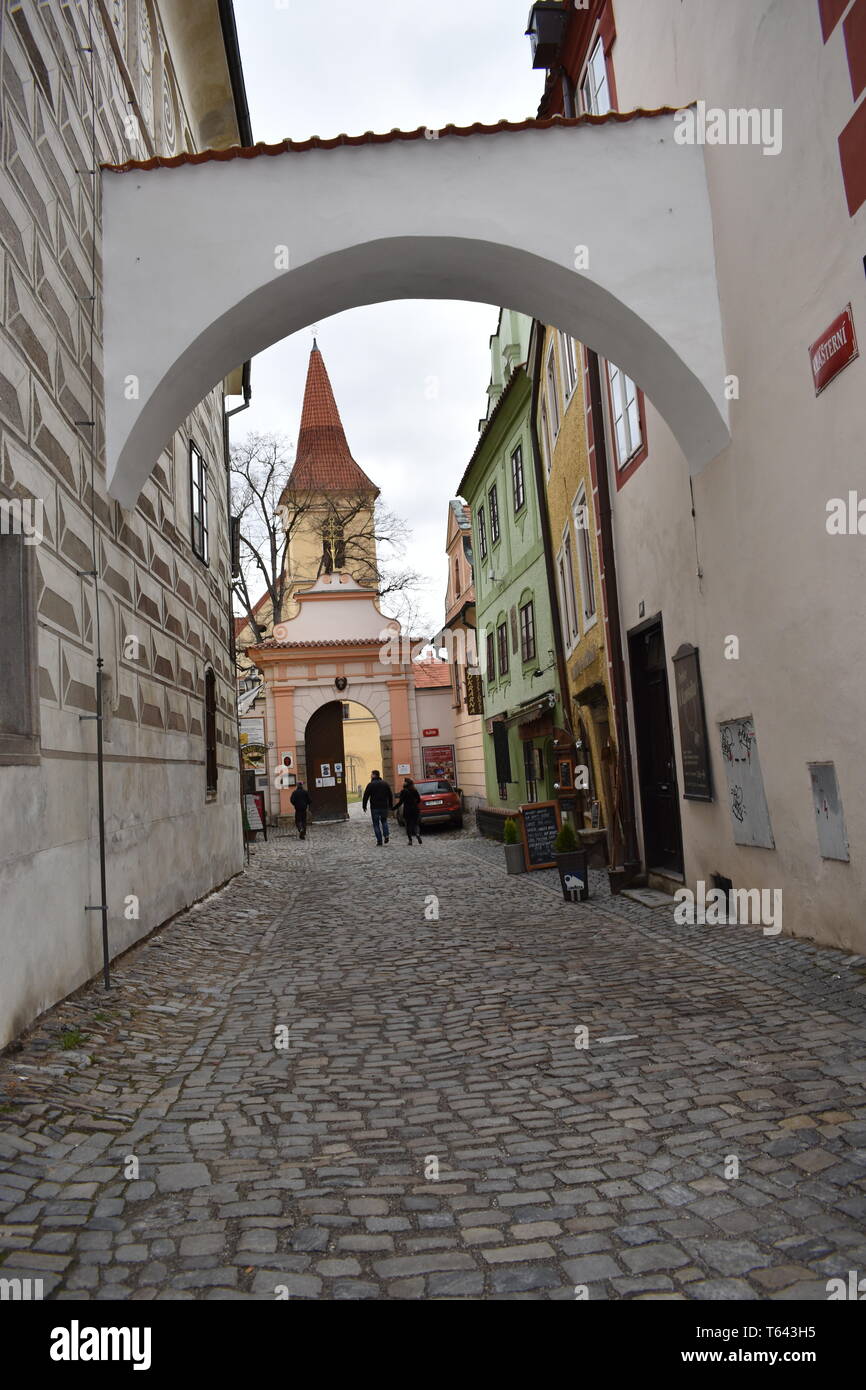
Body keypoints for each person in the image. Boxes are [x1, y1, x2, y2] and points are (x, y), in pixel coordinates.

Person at [361, 770, 394, 846]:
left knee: (376, 824)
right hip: (384, 806)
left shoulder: (370, 784)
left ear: (374, 775)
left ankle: (379, 841)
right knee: (384, 821)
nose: (370, 775)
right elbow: (390, 794)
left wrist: (364, 806)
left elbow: (366, 796)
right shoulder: (385, 784)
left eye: (371, 774)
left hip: (374, 807)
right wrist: (390, 805)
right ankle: (386, 835)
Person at [396, 777, 422, 845]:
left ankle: (410, 840)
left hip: (407, 810)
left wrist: (393, 808)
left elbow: (400, 802)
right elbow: (419, 799)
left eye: (404, 781)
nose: (403, 782)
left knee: (408, 825)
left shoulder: (403, 791)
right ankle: (417, 834)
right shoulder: (414, 790)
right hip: (415, 809)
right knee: (416, 823)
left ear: (406, 783)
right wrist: (415, 803)